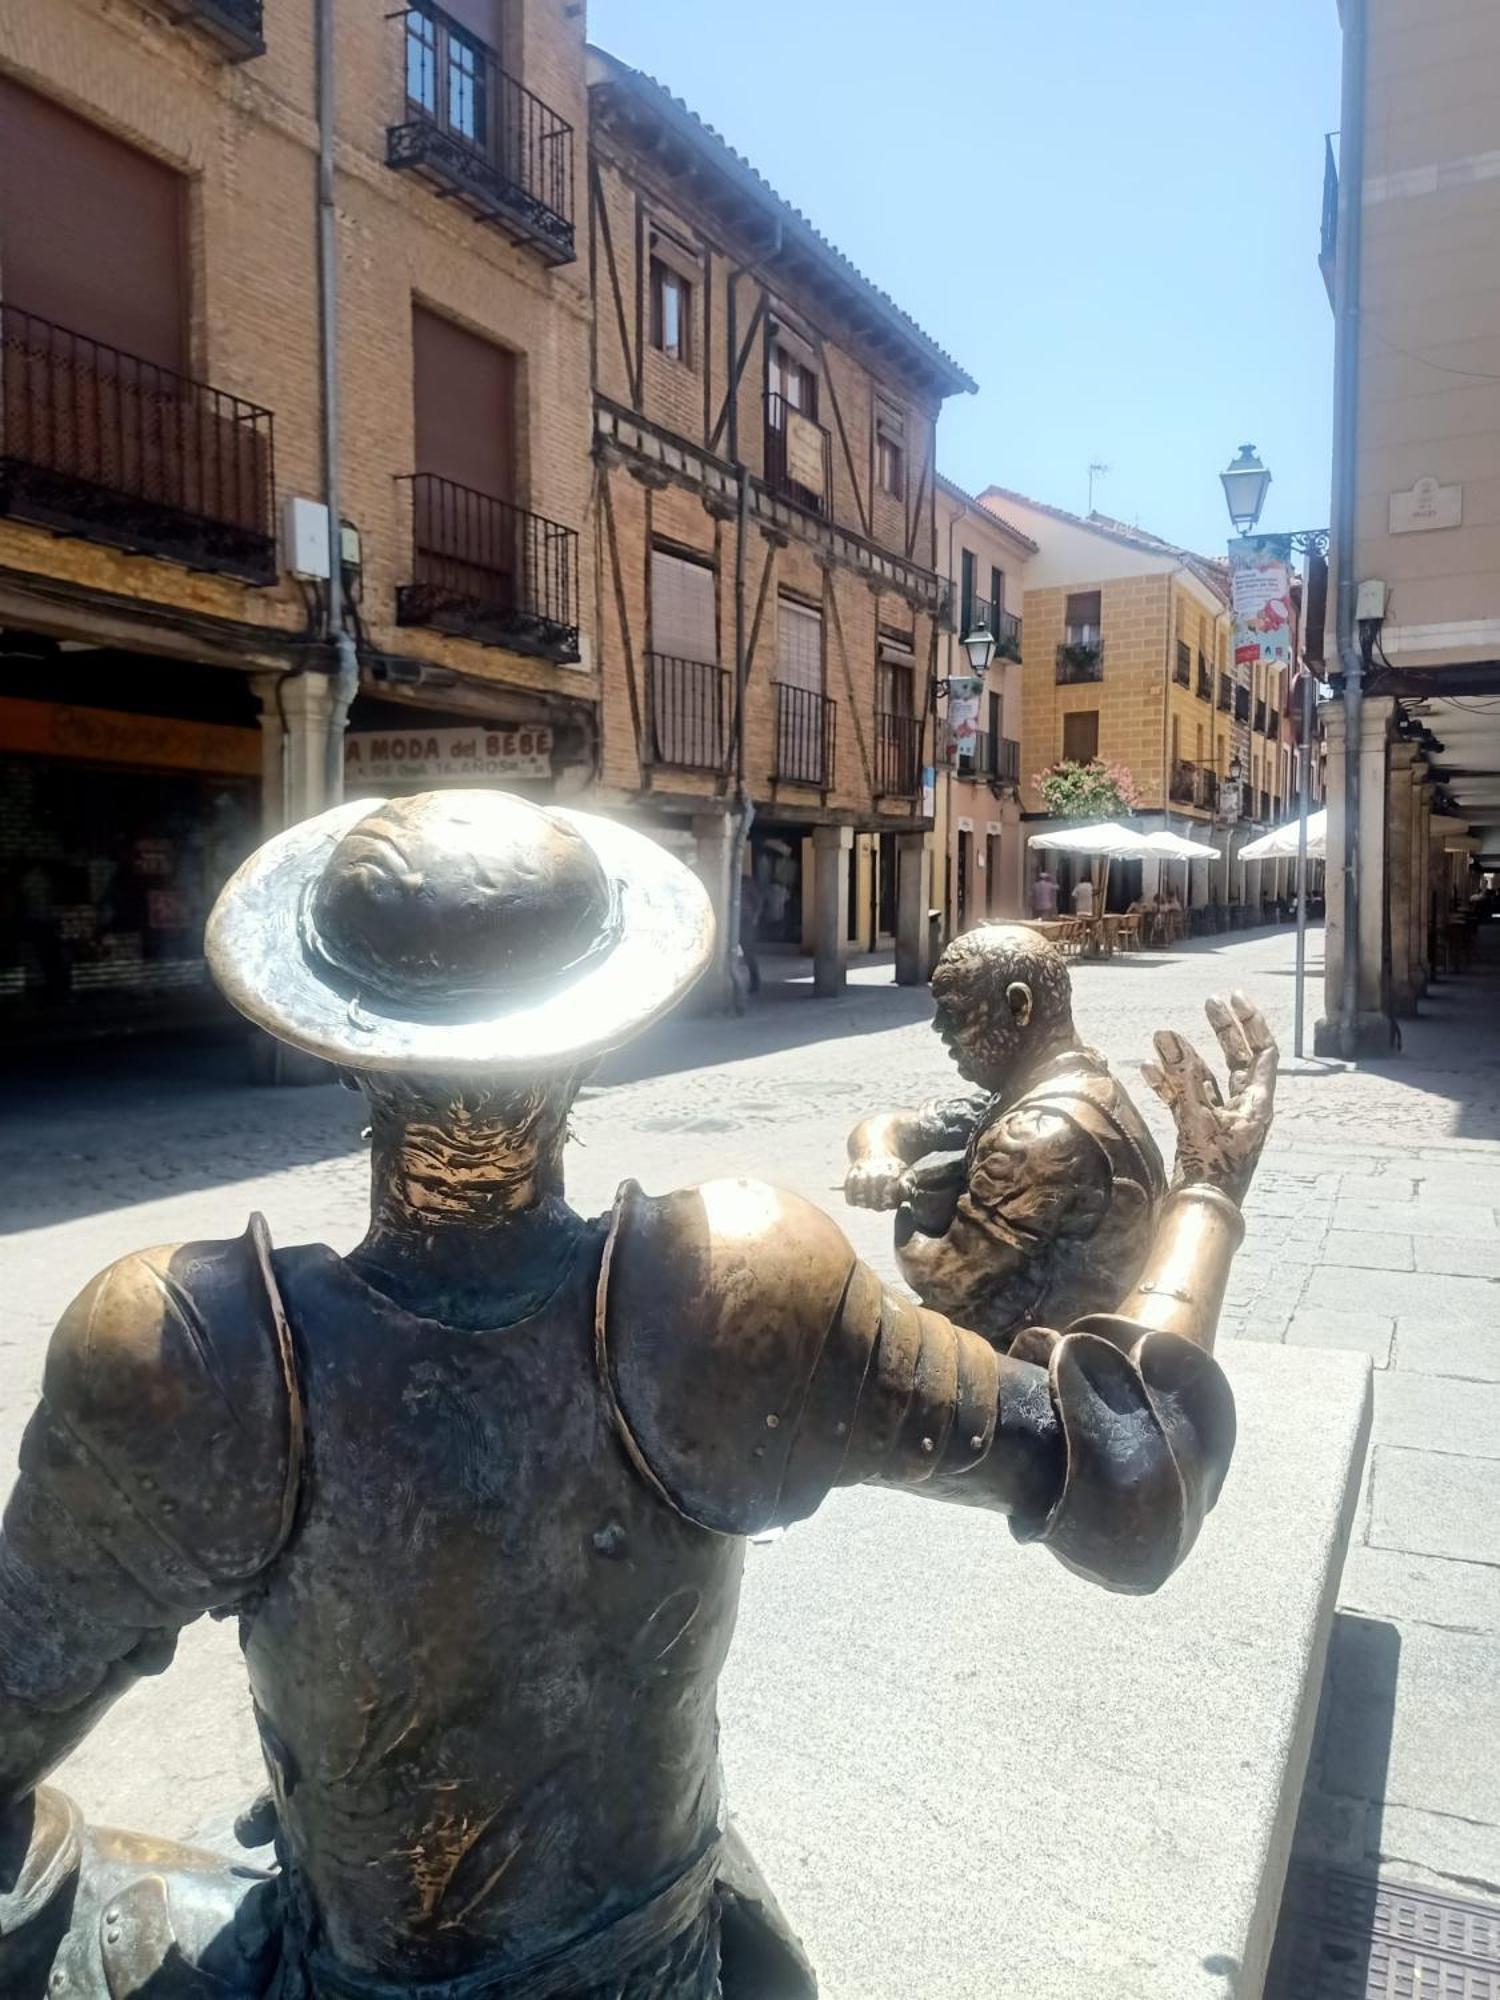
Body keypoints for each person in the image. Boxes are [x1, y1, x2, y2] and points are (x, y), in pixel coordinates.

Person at [0, 794, 1275, 2000]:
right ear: (593, 1039)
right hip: (662, 1964)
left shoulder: (196, 1351)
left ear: (346, 1048)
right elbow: (1131, 1484)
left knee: (66, 1870)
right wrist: (1206, 1196)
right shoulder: (734, 1298)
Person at [845, 923, 1270, 1347]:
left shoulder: (1041, 1134)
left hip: (1047, 1374)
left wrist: (910, 1199)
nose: (939, 1029)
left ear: (1018, 1006)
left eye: (953, 1011)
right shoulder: (1056, 1088)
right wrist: (877, 1156)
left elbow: (941, 1276)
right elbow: (897, 1125)